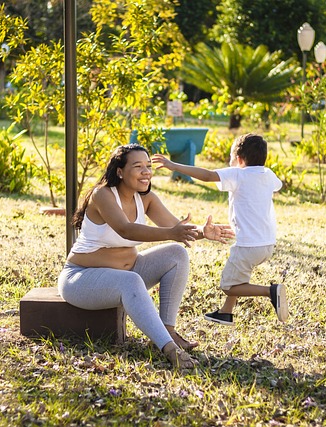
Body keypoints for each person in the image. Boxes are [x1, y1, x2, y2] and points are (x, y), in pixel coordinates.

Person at [58, 144, 234, 369]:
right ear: (120, 171)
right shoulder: (102, 195)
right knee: (131, 280)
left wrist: (203, 232)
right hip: (81, 279)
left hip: (129, 270)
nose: (146, 172)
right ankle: (169, 349)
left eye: (149, 166)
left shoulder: (146, 198)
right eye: (138, 166)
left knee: (177, 254)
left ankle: (167, 330)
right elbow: (126, 229)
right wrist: (171, 233)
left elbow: (176, 228)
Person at [152, 133, 288, 326]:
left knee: (230, 286)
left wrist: (174, 166)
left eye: (231, 158)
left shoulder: (238, 174)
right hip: (267, 245)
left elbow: (207, 175)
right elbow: (278, 187)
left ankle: (270, 291)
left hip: (247, 246)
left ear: (239, 160)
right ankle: (225, 312)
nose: (229, 162)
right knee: (239, 277)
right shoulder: (268, 174)